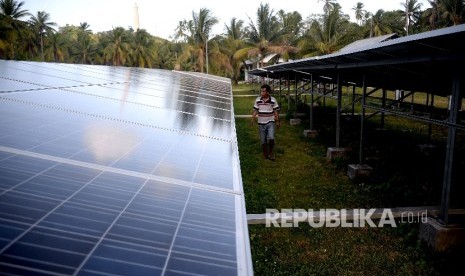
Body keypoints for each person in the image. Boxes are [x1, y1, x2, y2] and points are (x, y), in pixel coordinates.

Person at [251, 84, 280, 160]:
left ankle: (271, 152)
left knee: (271, 138)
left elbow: (275, 111)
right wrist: (252, 119)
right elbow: (255, 110)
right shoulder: (258, 100)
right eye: (261, 91)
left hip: (270, 122)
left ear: (268, 92)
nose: (262, 93)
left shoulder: (273, 100)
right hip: (261, 123)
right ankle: (265, 153)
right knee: (263, 140)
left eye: (263, 91)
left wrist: (277, 121)